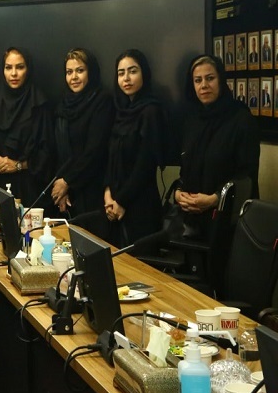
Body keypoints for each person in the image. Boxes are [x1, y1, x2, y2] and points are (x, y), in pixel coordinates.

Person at [174, 55, 259, 236]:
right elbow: (185, 167)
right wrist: (178, 193)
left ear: (221, 80)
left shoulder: (241, 119)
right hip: (190, 219)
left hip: (227, 221)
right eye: (198, 80)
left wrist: (215, 199)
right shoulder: (191, 120)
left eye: (210, 78)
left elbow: (247, 176)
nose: (204, 85)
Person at [104, 49, 166, 246]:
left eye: (133, 71)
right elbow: (110, 157)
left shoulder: (151, 111)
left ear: (144, 74)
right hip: (114, 203)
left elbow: (145, 165)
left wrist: (121, 200)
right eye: (121, 73)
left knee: (138, 263)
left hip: (140, 204)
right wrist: (108, 193)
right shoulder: (121, 111)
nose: (126, 78)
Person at [0, 47, 54, 208]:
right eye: (8, 67)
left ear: (28, 70)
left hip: (30, 186)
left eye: (20, 67)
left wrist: (17, 165)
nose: (13, 73)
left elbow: (47, 154)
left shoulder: (39, 105)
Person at [51, 48, 115, 216]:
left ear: (91, 72)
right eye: (69, 72)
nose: (74, 77)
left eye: (80, 71)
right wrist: (62, 186)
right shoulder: (63, 104)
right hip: (68, 191)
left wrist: (67, 181)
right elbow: (59, 150)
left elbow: (95, 150)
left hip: (93, 189)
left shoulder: (102, 101)